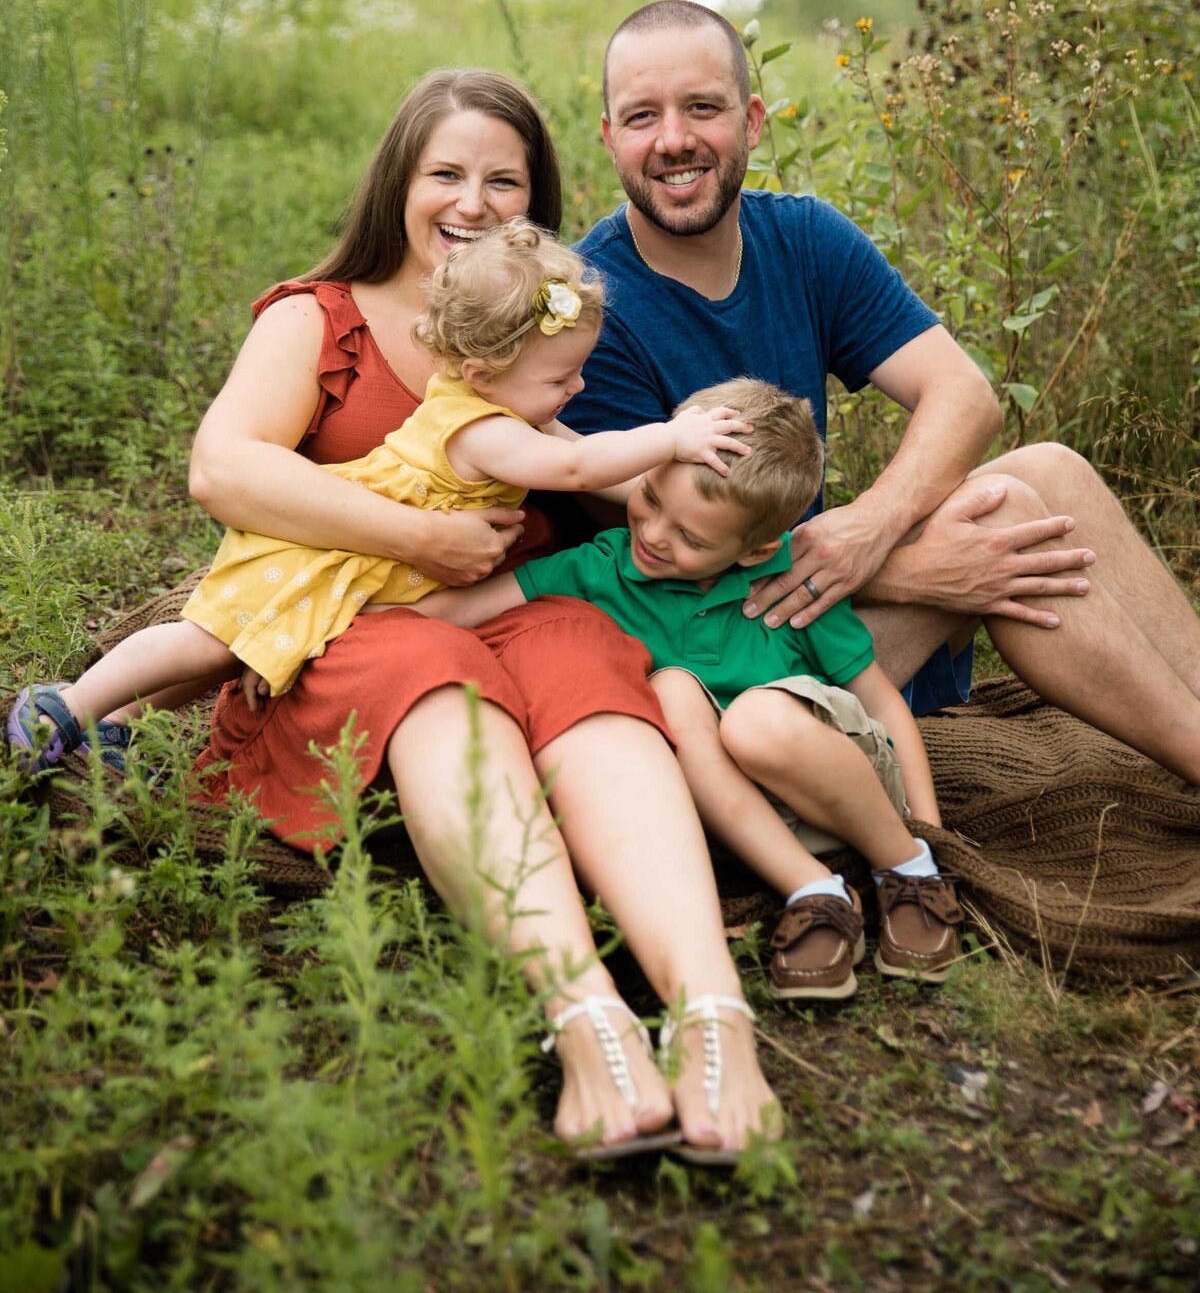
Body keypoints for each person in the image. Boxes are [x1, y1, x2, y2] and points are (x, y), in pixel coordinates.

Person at [49, 69, 784, 1164]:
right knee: (438, 686)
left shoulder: (553, 316)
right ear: (400, 177)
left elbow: (602, 463)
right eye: (447, 172)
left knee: (595, 684)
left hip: (513, 601)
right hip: (366, 613)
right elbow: (223, 469)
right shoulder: (320, 316)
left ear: (535, 200)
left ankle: (717, 1018)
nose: (473, 201)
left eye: (505, 178)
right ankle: (588, 1020)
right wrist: (415, 538)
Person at [563, 0, 1200, 784]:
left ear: (753, 119)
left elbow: (965, 394)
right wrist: (913, 570)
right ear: (608, 136)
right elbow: (661, 556)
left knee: (1050, 470)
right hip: (720, 658)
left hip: (806, 594)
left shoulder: (801, 238)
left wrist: (874, 527)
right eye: (641, 116)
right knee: (1005, 516)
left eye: (703, 107)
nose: (674, 140)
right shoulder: (590, 306)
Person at [7, 220, 747, 745]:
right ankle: (67, 706)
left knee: (228, 651)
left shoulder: (490, 402)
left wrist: (691, 500)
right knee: (204, 645)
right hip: (331, 557)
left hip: (360, 575)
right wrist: (675, 436)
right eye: (561, 376)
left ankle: (107, 722)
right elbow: (578, 467)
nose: (578, 387)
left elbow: (578, 450)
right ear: (486, 373)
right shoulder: (487, 432)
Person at [417, 376, 965, 1001]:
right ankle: (814, 890)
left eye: (692, 538)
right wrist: (333, 599)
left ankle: (908, 872)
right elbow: (458, 610)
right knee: (672, 688)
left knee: (755, 721)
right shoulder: (598, 567)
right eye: (650, 498)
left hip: (838, 781)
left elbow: (881, 702)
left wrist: (928, 832)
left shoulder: (790, 581)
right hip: (729, 817)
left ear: (756, 551)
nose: (651, 536)